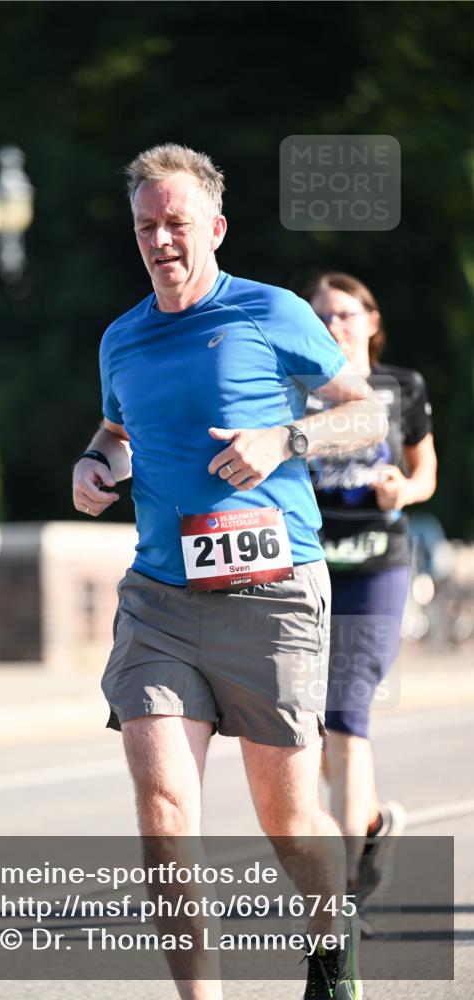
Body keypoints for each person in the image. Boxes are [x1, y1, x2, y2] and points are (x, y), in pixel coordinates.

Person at [72, 144, 387, 1000]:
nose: (159, 240)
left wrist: (284, 439)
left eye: (175, 223)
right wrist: (95, 463)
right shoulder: (121, 337)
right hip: (160, 600)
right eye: (145, 226)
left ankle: (330, 949)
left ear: (214, 227)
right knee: (163, 814)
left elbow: (367, 415)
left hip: (272, 594)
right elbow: (117, 431)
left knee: (287, 821)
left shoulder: (269, 310)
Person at [300, 272, 437, 903]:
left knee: (347, 718)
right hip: (306, 568)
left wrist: (401, 490)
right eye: (321, 315)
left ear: (372, 321)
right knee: (315, 731)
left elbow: (424, 471)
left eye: (346, 314)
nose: (333, 326)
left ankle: (345, 891)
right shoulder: (292, 391)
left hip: (377, 567)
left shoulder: (401, 386)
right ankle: (373, 823)